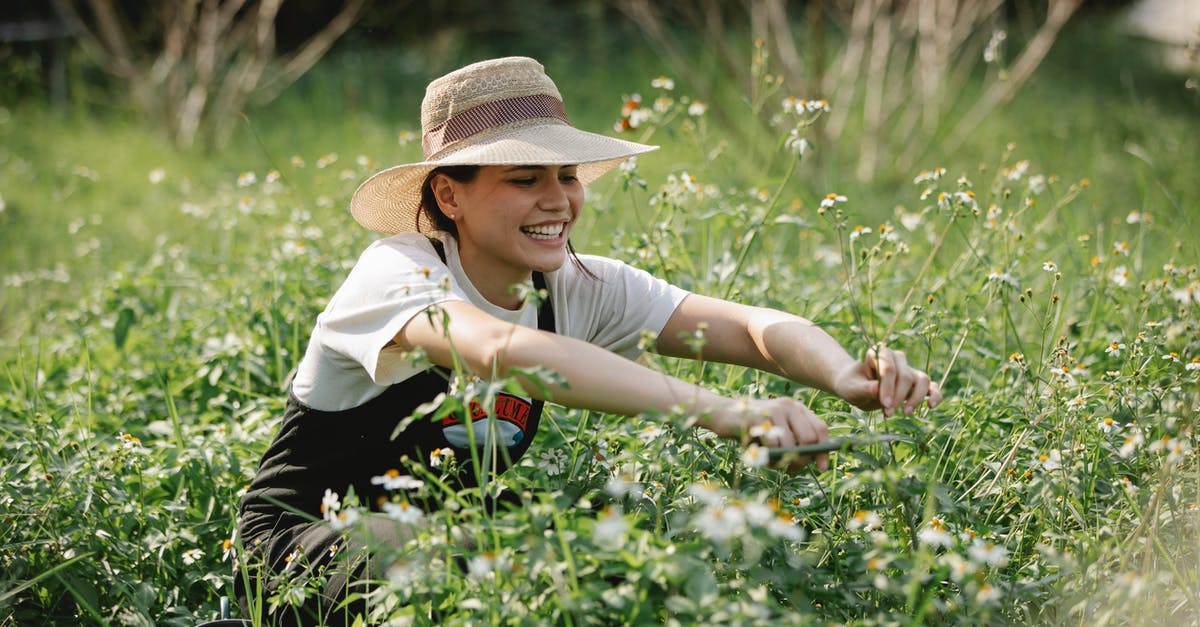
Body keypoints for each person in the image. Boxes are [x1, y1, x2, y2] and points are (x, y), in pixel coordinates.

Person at [235, 56, 941, 625]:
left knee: (603, 559)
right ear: (449, 197)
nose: (558, 200)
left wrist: (846, 372)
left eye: (567, 176)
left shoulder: (572, 284)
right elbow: (501, 352)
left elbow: (755, 327)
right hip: (301, 547)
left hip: (456, 547)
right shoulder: (398, 272)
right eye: (524, 178)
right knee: (442, 559)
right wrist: (723, 411)